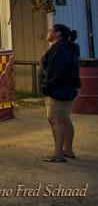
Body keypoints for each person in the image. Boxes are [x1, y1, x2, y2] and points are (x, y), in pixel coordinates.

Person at [39, 23, 81, 162]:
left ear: (58, 33)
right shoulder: (66, 48)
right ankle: (67, 149)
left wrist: (46, 87)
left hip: (60, 89)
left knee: (55, 119)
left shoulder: (60, 49)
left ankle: (58, 153)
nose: (48, 33)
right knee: (64, 118)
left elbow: (55, 71)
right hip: (68, 87)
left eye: (50, 30)